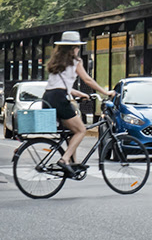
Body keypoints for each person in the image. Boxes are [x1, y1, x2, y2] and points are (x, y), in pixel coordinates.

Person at [42, 31, 116, 175]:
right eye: (77, 47)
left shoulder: (56, 62)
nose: (78, 49)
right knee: (81, 130)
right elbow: (87, 80)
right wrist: (105, 92)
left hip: (48, 98)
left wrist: (79, 94)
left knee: (72, 131)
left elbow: (58, 86)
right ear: (73, 48)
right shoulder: (75, 61)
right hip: (59, 98)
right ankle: (65, 159)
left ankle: (73, 164)